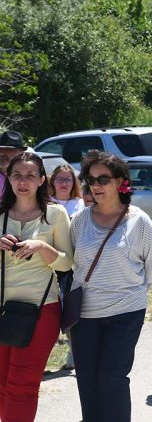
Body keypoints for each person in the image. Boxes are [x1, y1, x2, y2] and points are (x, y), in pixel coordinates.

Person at [70, 150, 152, 422]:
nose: (96, 186)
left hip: (126, 312)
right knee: (87, 378)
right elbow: (73, 261)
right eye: (91, 180)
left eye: (103, 179)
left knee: (112, 376)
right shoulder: (80, 220)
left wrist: (133, 291)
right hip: (85, 314)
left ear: (120, 181)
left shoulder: (139, 220)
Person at [0, 152, 73, 422]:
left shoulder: (55, 213)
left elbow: (66, 264)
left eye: (31, 175)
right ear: (8, 178)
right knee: (2, 385)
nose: (23, 181)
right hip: (3, 309)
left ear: (42, 180)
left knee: (22, 385)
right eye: (17, 175)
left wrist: (42, 247)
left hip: (41, 310)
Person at [48, 164, 85, 370]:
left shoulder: (79, 204)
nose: (63, 183)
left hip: (71, 267)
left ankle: (73, 351)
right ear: (52, 182)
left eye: (68, 179)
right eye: (59, 179)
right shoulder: (44, 203)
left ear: (74, 182)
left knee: (70, 312)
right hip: (46, 265)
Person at [0, 130, 26, 197]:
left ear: (21, 153)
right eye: (0, 149)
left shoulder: (29, 175)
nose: (2, 153)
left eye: (9, 150)